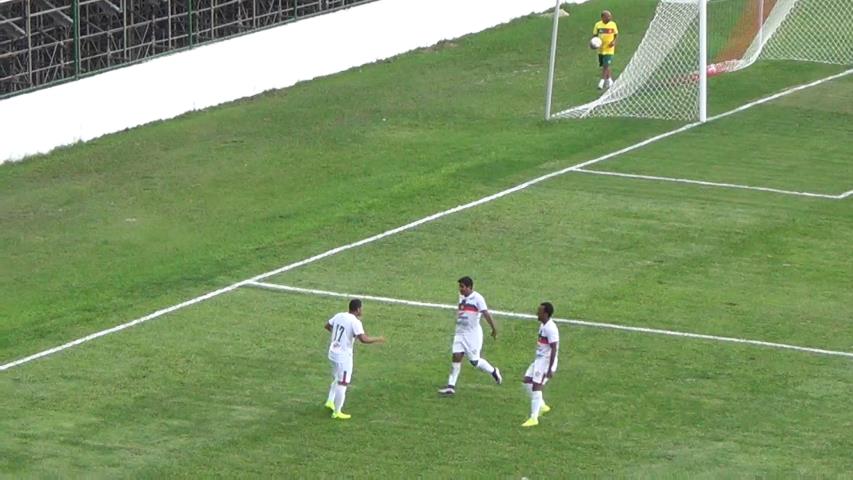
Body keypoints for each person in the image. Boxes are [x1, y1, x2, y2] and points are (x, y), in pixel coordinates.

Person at [438, 276, 502, 395]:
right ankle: (451, 386)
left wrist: (494, 329)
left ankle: (493, 371)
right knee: (456, 356)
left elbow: (486, 314)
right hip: (460, 333)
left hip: (472, 335)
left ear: (469, 287)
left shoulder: (478, 298)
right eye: (459, 286)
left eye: (462, 287)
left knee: (474, 361)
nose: (460, 289)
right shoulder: (461, 296)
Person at [324, 299, 385, 420]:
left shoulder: (339, 315)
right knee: (343, 382)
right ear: (357, 309)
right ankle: (337, 411)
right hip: (343, 357)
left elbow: (327, 326)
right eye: (361, 308)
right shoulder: (355, 322)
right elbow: (363, 339)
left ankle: (330, 401)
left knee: (337, 378)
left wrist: (338, 336)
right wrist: (378, 339)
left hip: (332, 353)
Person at [521, 302, 559, 427]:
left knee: (537, 386)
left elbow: (554, 348)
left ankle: (534, 418)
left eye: (539, 311)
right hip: (539, 360)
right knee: (526, 380)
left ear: (546, 314)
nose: (537, 313)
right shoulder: (543, 325)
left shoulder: (550, 328)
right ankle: (541, 405)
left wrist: (550, 368)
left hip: (545, 362)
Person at [592, 10, 619, 90]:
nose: (609, 18)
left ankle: (602, 82)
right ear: (603, 17)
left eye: (610, 16)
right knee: (605, 65)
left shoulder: (613, 24)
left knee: (606, 65)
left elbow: (616, 35)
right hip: (600, 49)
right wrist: (594, 44)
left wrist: (614, 42)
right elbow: (594, 36)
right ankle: (610, 80)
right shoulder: (598, 25)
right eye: (607, 16)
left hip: (609, 49)